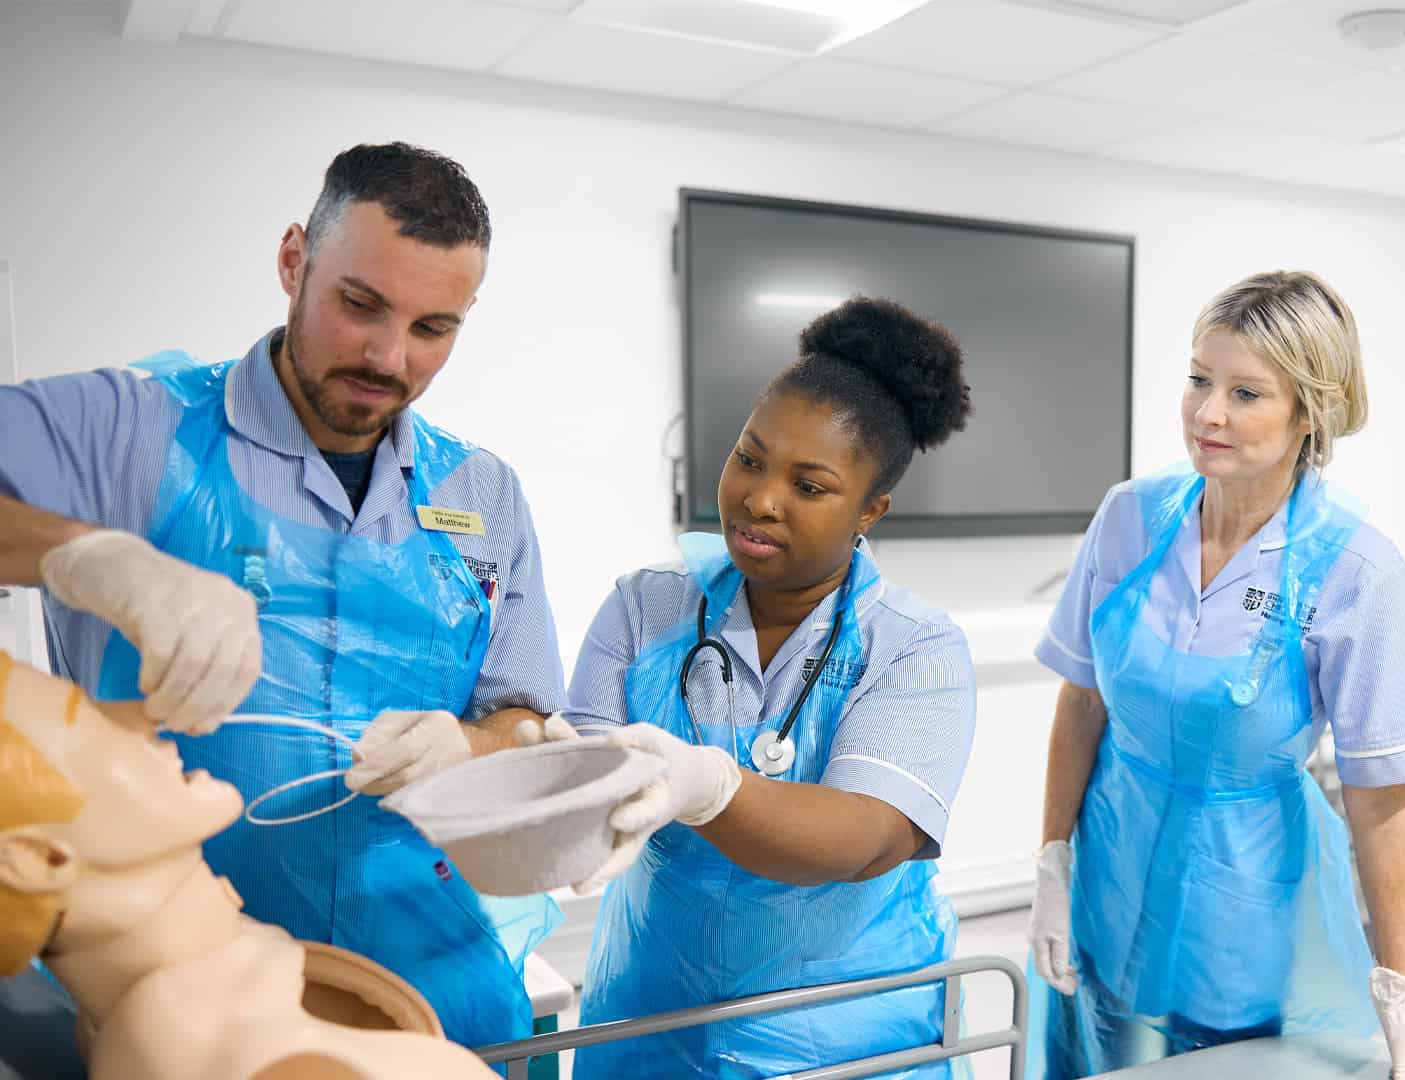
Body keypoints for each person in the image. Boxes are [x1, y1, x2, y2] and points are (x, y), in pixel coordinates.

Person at [0, 142, 567, 1048]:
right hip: (185, 997)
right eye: (360, 305)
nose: (389, 357)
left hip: (435, 992)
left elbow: (526, 717)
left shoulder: (480, 493)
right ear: (294, 260)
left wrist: (469, 744)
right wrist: (88, 556)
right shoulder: (136, 434)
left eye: (434, 329)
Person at [523, 296, 977, 1078]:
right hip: (651, 1021)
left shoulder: (915, 650)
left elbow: (865, 837)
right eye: (750, 457)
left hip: (844, 1042)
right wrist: (495, 758)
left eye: (810, 486)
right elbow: (582, 777)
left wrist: (707, 787)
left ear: (872, 509)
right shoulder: (646, 607)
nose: (760, 498)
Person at [1026, 271, 1405, 1078]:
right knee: (1095, 1052)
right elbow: (1082, 701)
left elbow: (1380, 792)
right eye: (1198, 380)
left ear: (1310, 412)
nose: (1207, 413)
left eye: (1246, 393)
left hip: (1243, 889)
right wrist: (1052, 861)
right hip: (1109, 866)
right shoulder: (1129, 519)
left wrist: (1399, 990)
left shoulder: (1354, 569)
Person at [0, 650, 500, 1079]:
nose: (141, 713)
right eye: (89, 723)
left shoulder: (194, 991)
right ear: (39, 858)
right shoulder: (231, 1050)